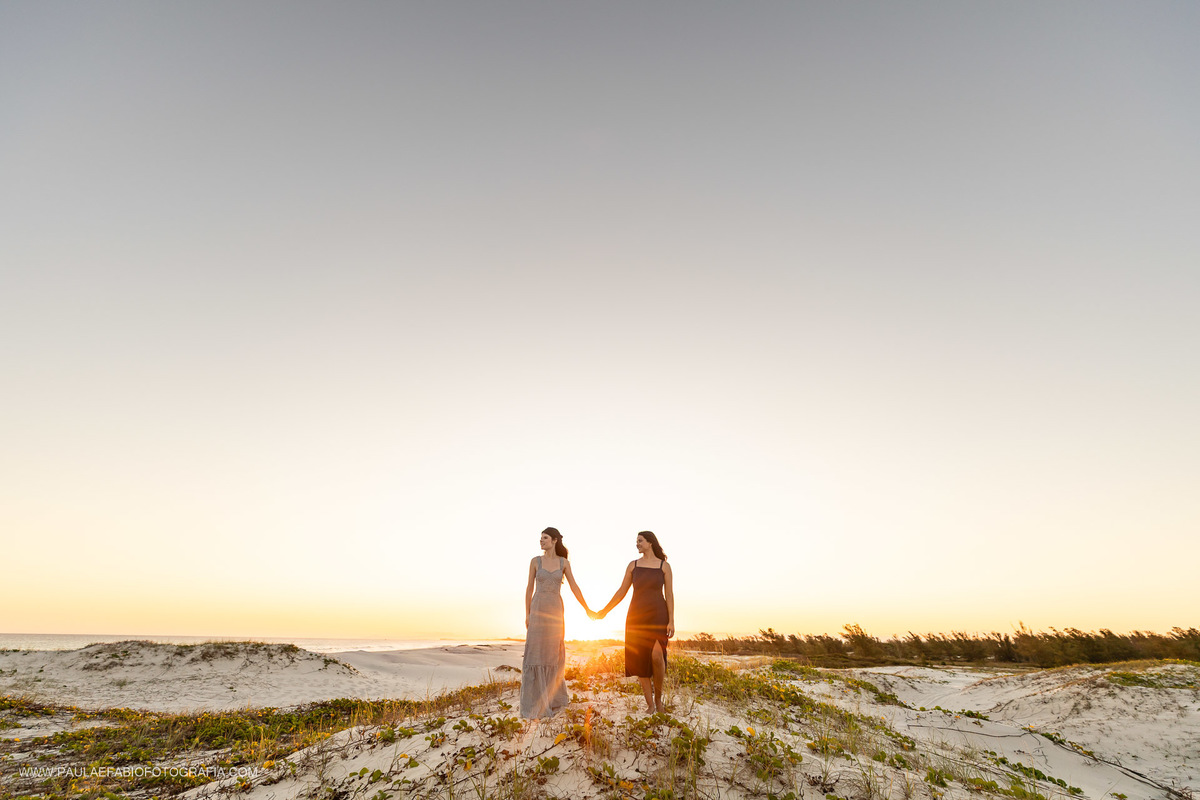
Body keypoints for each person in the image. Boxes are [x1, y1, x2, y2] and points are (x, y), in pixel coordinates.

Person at [593, 530, 674, 713]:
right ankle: (650, 705)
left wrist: (671, 620)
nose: (637, 544)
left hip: (658, 615)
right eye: (636, 541)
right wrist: (604, 611)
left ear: (650, 542)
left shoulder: (664, 566)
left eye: (640, 541)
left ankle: (659, 699)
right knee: (640, 659)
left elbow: (669, 594)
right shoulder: (633, 565)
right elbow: (622, 591)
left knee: (657, 657)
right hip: (637, 616)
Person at [520, 527, 593, 719]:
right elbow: (529, 589)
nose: (541, 541)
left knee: (552, 653)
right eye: (540, 538)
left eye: (544, 538)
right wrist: (527, 613)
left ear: (554, 540)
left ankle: (553, 700)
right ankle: (533, 704)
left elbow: (574, 586)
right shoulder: (535, 561)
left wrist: (586, 608)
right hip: (538, 609)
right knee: (535, 651)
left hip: (555, 610)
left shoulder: (564, 563)